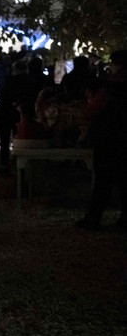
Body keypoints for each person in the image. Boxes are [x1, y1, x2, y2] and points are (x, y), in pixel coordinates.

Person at [75, 49, 127, 230]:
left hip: (108, 139)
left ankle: (94, 217)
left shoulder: (110, 87)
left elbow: (91, 110)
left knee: (103, 181)